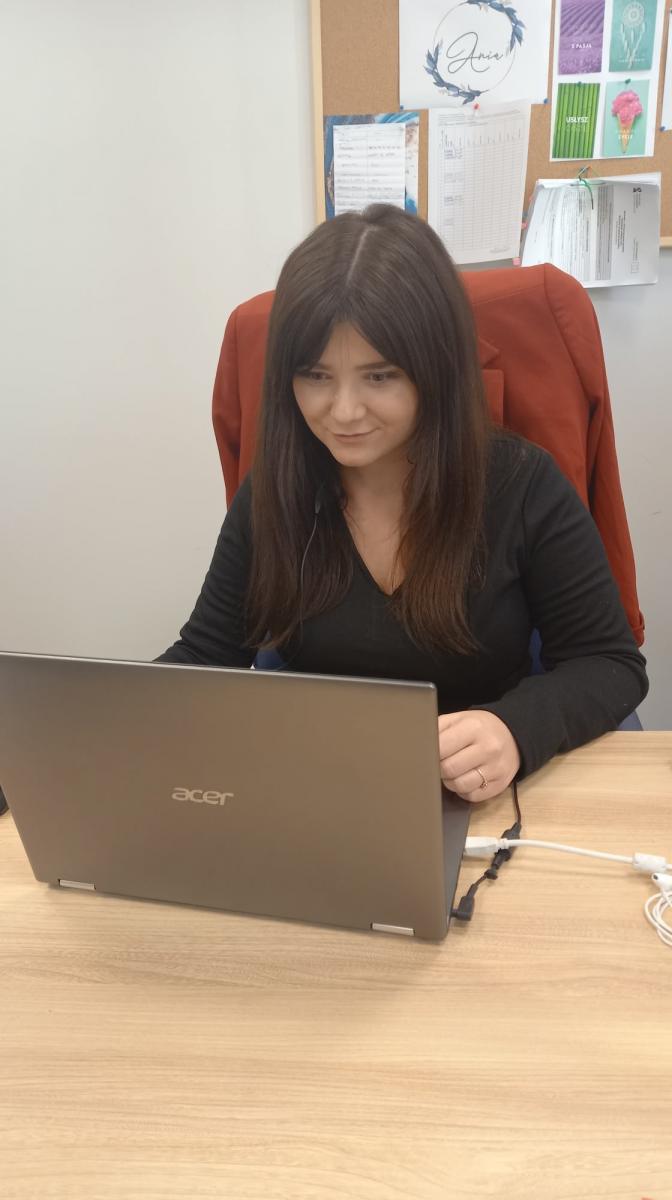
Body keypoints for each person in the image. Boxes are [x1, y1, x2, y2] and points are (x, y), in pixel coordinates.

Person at [158, 204, 647, 802]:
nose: (343, 412)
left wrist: (514, 729)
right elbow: (206, 655)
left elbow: (608, 663)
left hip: (479, 795)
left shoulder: (522, 484)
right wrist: (102, 714)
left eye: (379, 376)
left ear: (436, 369)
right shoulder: (277, 489)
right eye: (315, 375)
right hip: (324, 791)